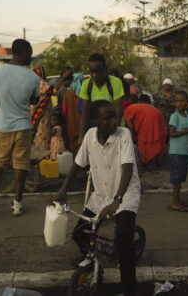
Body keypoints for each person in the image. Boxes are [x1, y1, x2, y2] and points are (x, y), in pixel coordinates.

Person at [54, 100, 141, 296]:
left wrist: (117, 200)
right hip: (101, 194)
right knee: (79, 234)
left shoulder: (123, 134)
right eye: (108, 118)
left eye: (114, 116)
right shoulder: (89, 137)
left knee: (124, 245)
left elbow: (127, 167)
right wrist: (63, 190)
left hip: (125, 194)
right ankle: (93, 263)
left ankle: (130, 291)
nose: (114, 121)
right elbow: (77, 164)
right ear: (95, 121)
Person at [0, 39, 40, 216]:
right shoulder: (32, 76)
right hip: (22, 125)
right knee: (21, 164)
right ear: (24, 52)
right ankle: (17, 204)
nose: (31, 56)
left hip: (2, 126)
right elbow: (35, 100)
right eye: (30, 52)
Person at [78, 53, 125, 144]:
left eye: (98, 71)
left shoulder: (116, 83)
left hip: (115, 127)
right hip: (99, 131)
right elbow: (85, 112)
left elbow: (119, 110)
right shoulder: (86, 84)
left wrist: (114, 134)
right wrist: (81, 136)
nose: (94, 75)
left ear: (105, 69)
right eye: (92, 72)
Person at [168, 91, 188, 212]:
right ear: (174, 103)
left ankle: (178, 200)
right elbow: (172, 133)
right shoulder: (174, 116)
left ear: (187, 102)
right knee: (176, 178)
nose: (180, 103)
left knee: (180, 178)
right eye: (178, 101)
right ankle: (175, 202)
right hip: (177, 151)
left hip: (185, 151)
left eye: (182, 101)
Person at [124, 95, 168, 165]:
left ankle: (145, 161)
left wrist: (130, 140)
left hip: (150, 119)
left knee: (144, 140)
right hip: (158, 115)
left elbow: (130, 127)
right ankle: (153, 161)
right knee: (155, 138)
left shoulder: (127, 110)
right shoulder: (135, 107)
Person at [62, 72, 83, 155]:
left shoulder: (67, 93)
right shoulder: (83, 93)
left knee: (73, 142)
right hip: (82, 122)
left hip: (70, 123)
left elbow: (64, 110)